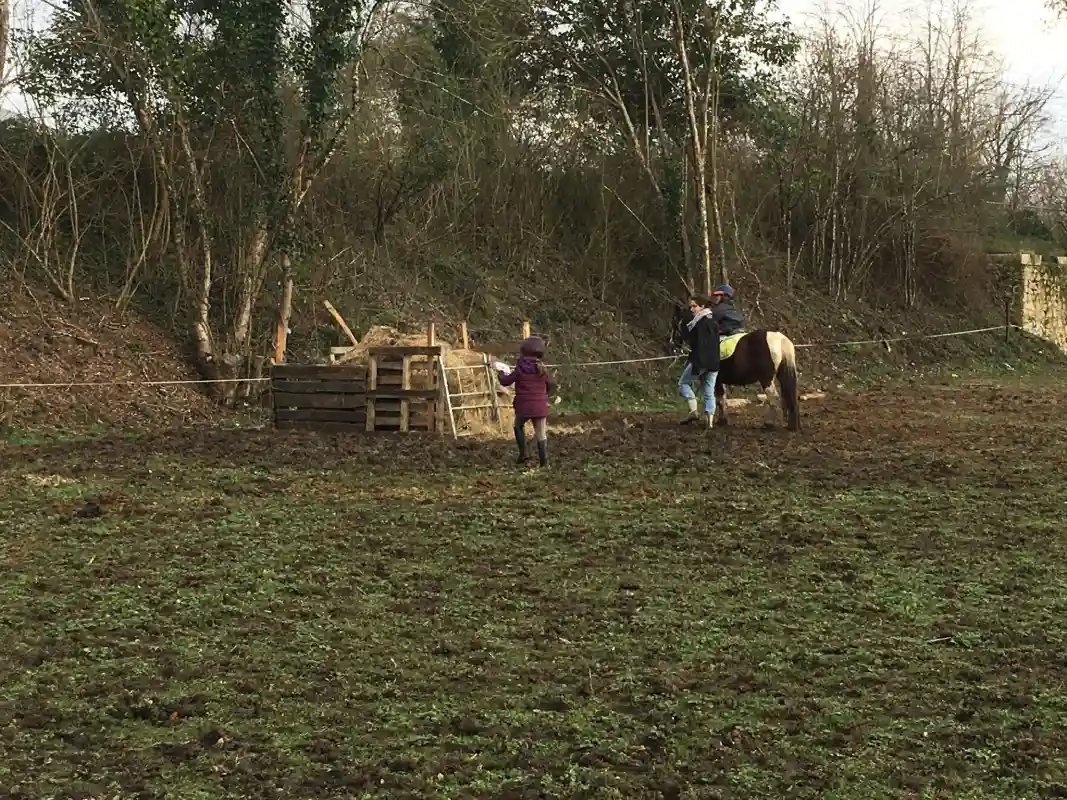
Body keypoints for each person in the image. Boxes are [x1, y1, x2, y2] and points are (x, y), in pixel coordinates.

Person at [497, 335, 557, 467]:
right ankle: (544, 462)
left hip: (524, 407)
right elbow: (552, 384)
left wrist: (501, 372)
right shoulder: (542, 369)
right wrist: (544, 394)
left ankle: (523, 454)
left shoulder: (520, 369)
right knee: (541, 433)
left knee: (518, 426)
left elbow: (505, 381)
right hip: (540, 406)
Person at [678, 295, 719, 428]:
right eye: (691, 306)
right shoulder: (713, 321)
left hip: (701, 361)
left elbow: (699, 345)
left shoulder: (699, 323)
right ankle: (710, 421)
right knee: (709, 390)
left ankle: (693, 410)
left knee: (683, 383)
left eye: (694, 306)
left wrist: (696, 361)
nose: (692, 309)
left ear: (702, 307)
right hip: (714, 363)